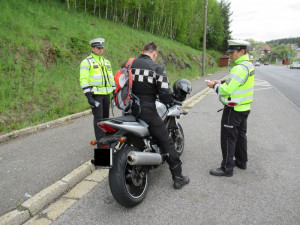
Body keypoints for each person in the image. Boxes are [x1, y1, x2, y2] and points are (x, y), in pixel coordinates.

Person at [123, 42, 189, 189]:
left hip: (128, 109)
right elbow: (165, 94)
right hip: (146, 111)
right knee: (167, 141)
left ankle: (108, 162)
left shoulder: (128, 64)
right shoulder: (156, 68)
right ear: (154, 54)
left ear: (142, 51)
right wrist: (170, 99)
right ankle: (178, 178)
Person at [206, 40, 255, 177]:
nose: (230, 55)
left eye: (232, 52)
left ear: (242, 51)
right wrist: (220, 81)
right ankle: (241, 161)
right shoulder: (248, 65)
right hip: (244, 107)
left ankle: (227, 168)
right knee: (240, 136)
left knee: (228, 138)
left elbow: (227, 90)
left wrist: (214, 86)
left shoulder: (238, 68)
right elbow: (236, 83)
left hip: (233, 109)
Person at [79, 38, 115, 143]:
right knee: (99, 121)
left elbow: (111, 79)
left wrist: (115, 92)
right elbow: (84, 80)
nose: (101, 50)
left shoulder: (106, 62)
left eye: (102, 48)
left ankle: (107, 142)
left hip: (106, 96)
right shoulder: (86, 62)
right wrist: (89, 97)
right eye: (98, 48)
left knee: (105, 120)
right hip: (96, 96)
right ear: (92, 48)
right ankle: (101, 147)